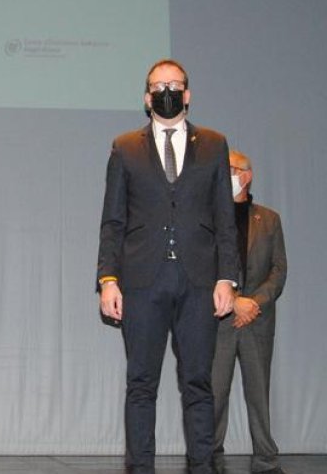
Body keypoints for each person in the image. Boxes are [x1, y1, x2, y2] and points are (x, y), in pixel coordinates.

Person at [97, 59, 240, 474]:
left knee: (198, 384)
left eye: (174, 84)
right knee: (141, 384)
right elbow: (113, 220)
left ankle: (202, 466)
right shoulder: (124, 147)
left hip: (199, 281)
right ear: (146, 97)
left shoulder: (214, 144)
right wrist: (108, 279)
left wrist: (227, 277)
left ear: (188, 94)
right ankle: (140, 468)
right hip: (142, 280)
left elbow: (225, 218)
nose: (166, 91)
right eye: (158, 85)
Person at [211, 150, 288, 474]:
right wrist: (235, 300)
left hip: (257, 320)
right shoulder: (209, 217)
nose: (224, 174)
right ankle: (210, 456)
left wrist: (253, 302)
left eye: (229, 169)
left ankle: (266, 459)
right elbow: (202, 267)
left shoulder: (269, 219)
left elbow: (278, 270)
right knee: (215, 393)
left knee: (258, 393)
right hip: (220, 317)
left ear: (246, 175)